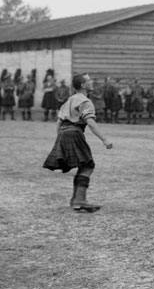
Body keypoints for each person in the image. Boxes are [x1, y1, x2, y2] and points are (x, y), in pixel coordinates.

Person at [43, 73, 113, 212]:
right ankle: (80, 199)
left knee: (83, 165)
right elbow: (91, 123)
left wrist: (60, 140)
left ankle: (76, 200)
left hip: (63, 133)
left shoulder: (69, 100)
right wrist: (105, 140)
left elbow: (59, 122)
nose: (92, 82)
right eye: (89, 81)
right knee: (87, 165)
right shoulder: (85, 102)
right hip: (75, 133)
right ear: (83, 85)